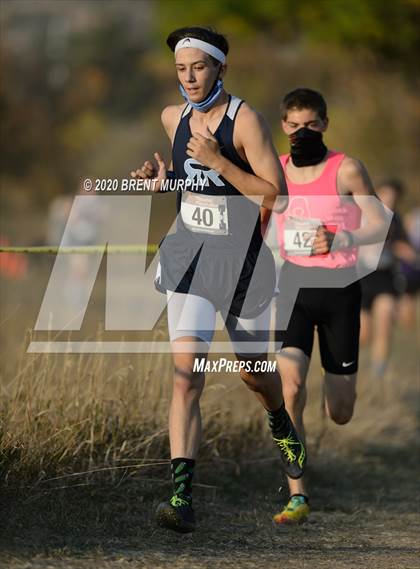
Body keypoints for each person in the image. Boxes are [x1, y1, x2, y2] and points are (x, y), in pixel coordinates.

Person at [131, 27, 306, 533]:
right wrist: (166, 182)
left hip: (241, 262)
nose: (188, 78)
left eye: (199, 68)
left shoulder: (244, 120)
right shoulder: (174, 118)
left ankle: (279, 420)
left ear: (220, 69)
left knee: (255, 374)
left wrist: (219, 161)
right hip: (190, 256)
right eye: (181, 69)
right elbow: (193, 185)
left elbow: (276, 195)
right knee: (186, 375)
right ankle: (181, 499)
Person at [272, 88, 387, 525]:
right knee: (291, 389)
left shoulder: (347, 169)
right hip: (294, 288)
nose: (302, 133)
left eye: (311, 125)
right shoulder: (276, 171)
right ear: (283, 127)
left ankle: (334, 388)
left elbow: (379, 222)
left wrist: (343, 238)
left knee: (340, 413)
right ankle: (297, 493)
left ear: (325, 123)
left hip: (340, 290)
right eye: (294, 126)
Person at [359, 180, 417, 377]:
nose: (389, 200)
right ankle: (347, 371)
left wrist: (407, 253)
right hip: (362, 277)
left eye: (393, 197)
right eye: (386, 195)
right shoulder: (362, 214)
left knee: (385, 318)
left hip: (385, 277)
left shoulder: (396, 220)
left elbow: (402, 245)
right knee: (363, 334)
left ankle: (379, 372)